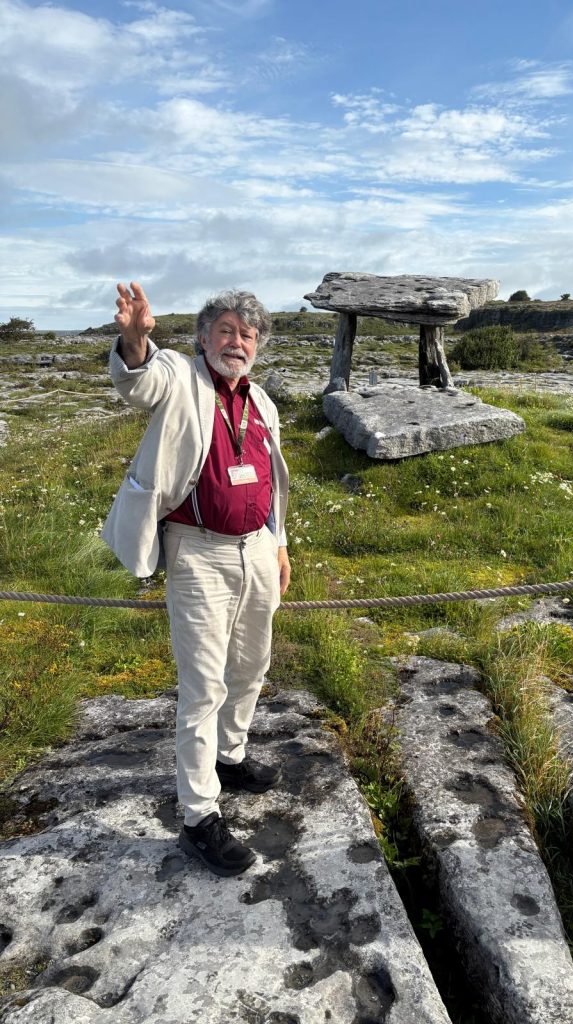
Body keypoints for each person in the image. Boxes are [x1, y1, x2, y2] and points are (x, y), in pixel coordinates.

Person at [101, 281, 290, 877]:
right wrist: (134, 341)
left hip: (256, 548)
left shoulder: (262, 403)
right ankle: (198, 817)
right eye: (228, 331)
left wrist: (280, 545)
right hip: (197, 551)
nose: (239, 342)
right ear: (204, 337)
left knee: (252, 664)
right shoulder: (181, 376)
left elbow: (270, 481)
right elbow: (139, 381)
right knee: (204, 684)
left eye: (248, 334)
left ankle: (230, 755)